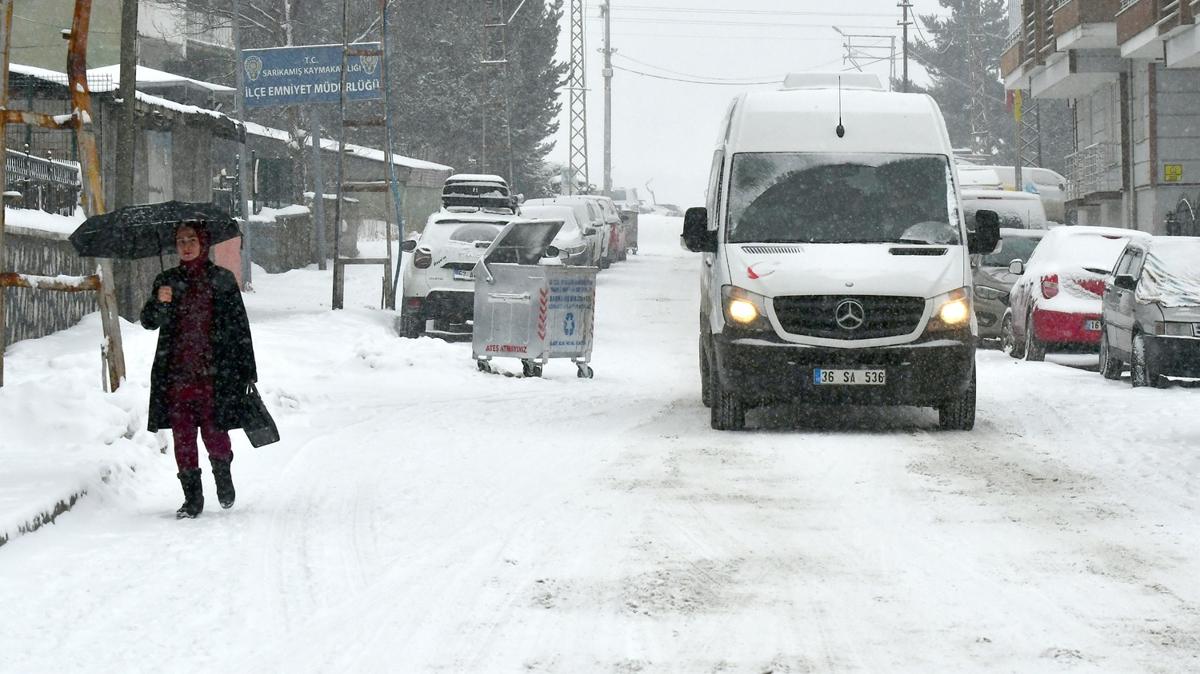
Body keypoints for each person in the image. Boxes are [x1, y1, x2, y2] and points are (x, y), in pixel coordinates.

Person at [141, 221, 257, 519]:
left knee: (215, 433)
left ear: (203, 242)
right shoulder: (166, 280)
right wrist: (158, 301)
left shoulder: (222, 279)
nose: (187, 245)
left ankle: (223, 474)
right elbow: (149, 321)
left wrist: (247, 371)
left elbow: (239, 327)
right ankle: (192, 498)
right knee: (183, 436)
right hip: (177, 375)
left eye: (192, 239)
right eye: (181, 241)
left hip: (215, 375)